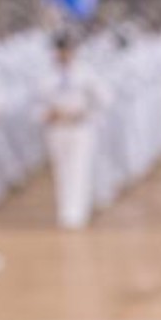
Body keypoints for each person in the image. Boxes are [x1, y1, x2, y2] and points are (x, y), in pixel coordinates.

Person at [39, 32, 108, 230]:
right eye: (60, 50)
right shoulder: (46, 76)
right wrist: (47, 114)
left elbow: (104, 99)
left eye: (66, 49)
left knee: (79, 168)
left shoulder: (86, 74)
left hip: (80, 127)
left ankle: (78, 212)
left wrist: (85, 113)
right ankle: (65, 211)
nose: (63, 54)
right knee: (61, 170)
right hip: (57, 128)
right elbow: (36, 104)